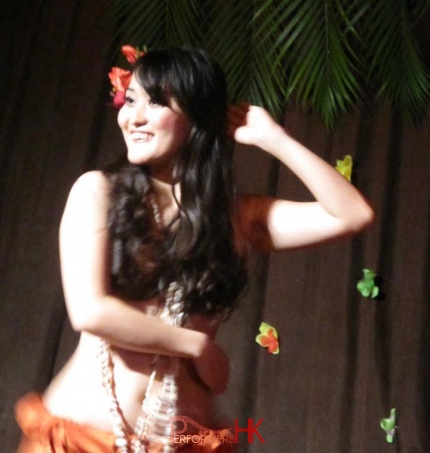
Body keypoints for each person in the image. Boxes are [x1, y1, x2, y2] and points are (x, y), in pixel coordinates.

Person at [15, 47, 374, 453]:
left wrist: (276, 140)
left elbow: (353, 215)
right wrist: (196, 345)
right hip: (81, 439)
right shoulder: (98, 192)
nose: (133, 117)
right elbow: (90, 311)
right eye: (130, 100)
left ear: (198, 118)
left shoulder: (237, 220)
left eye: (155, 102)